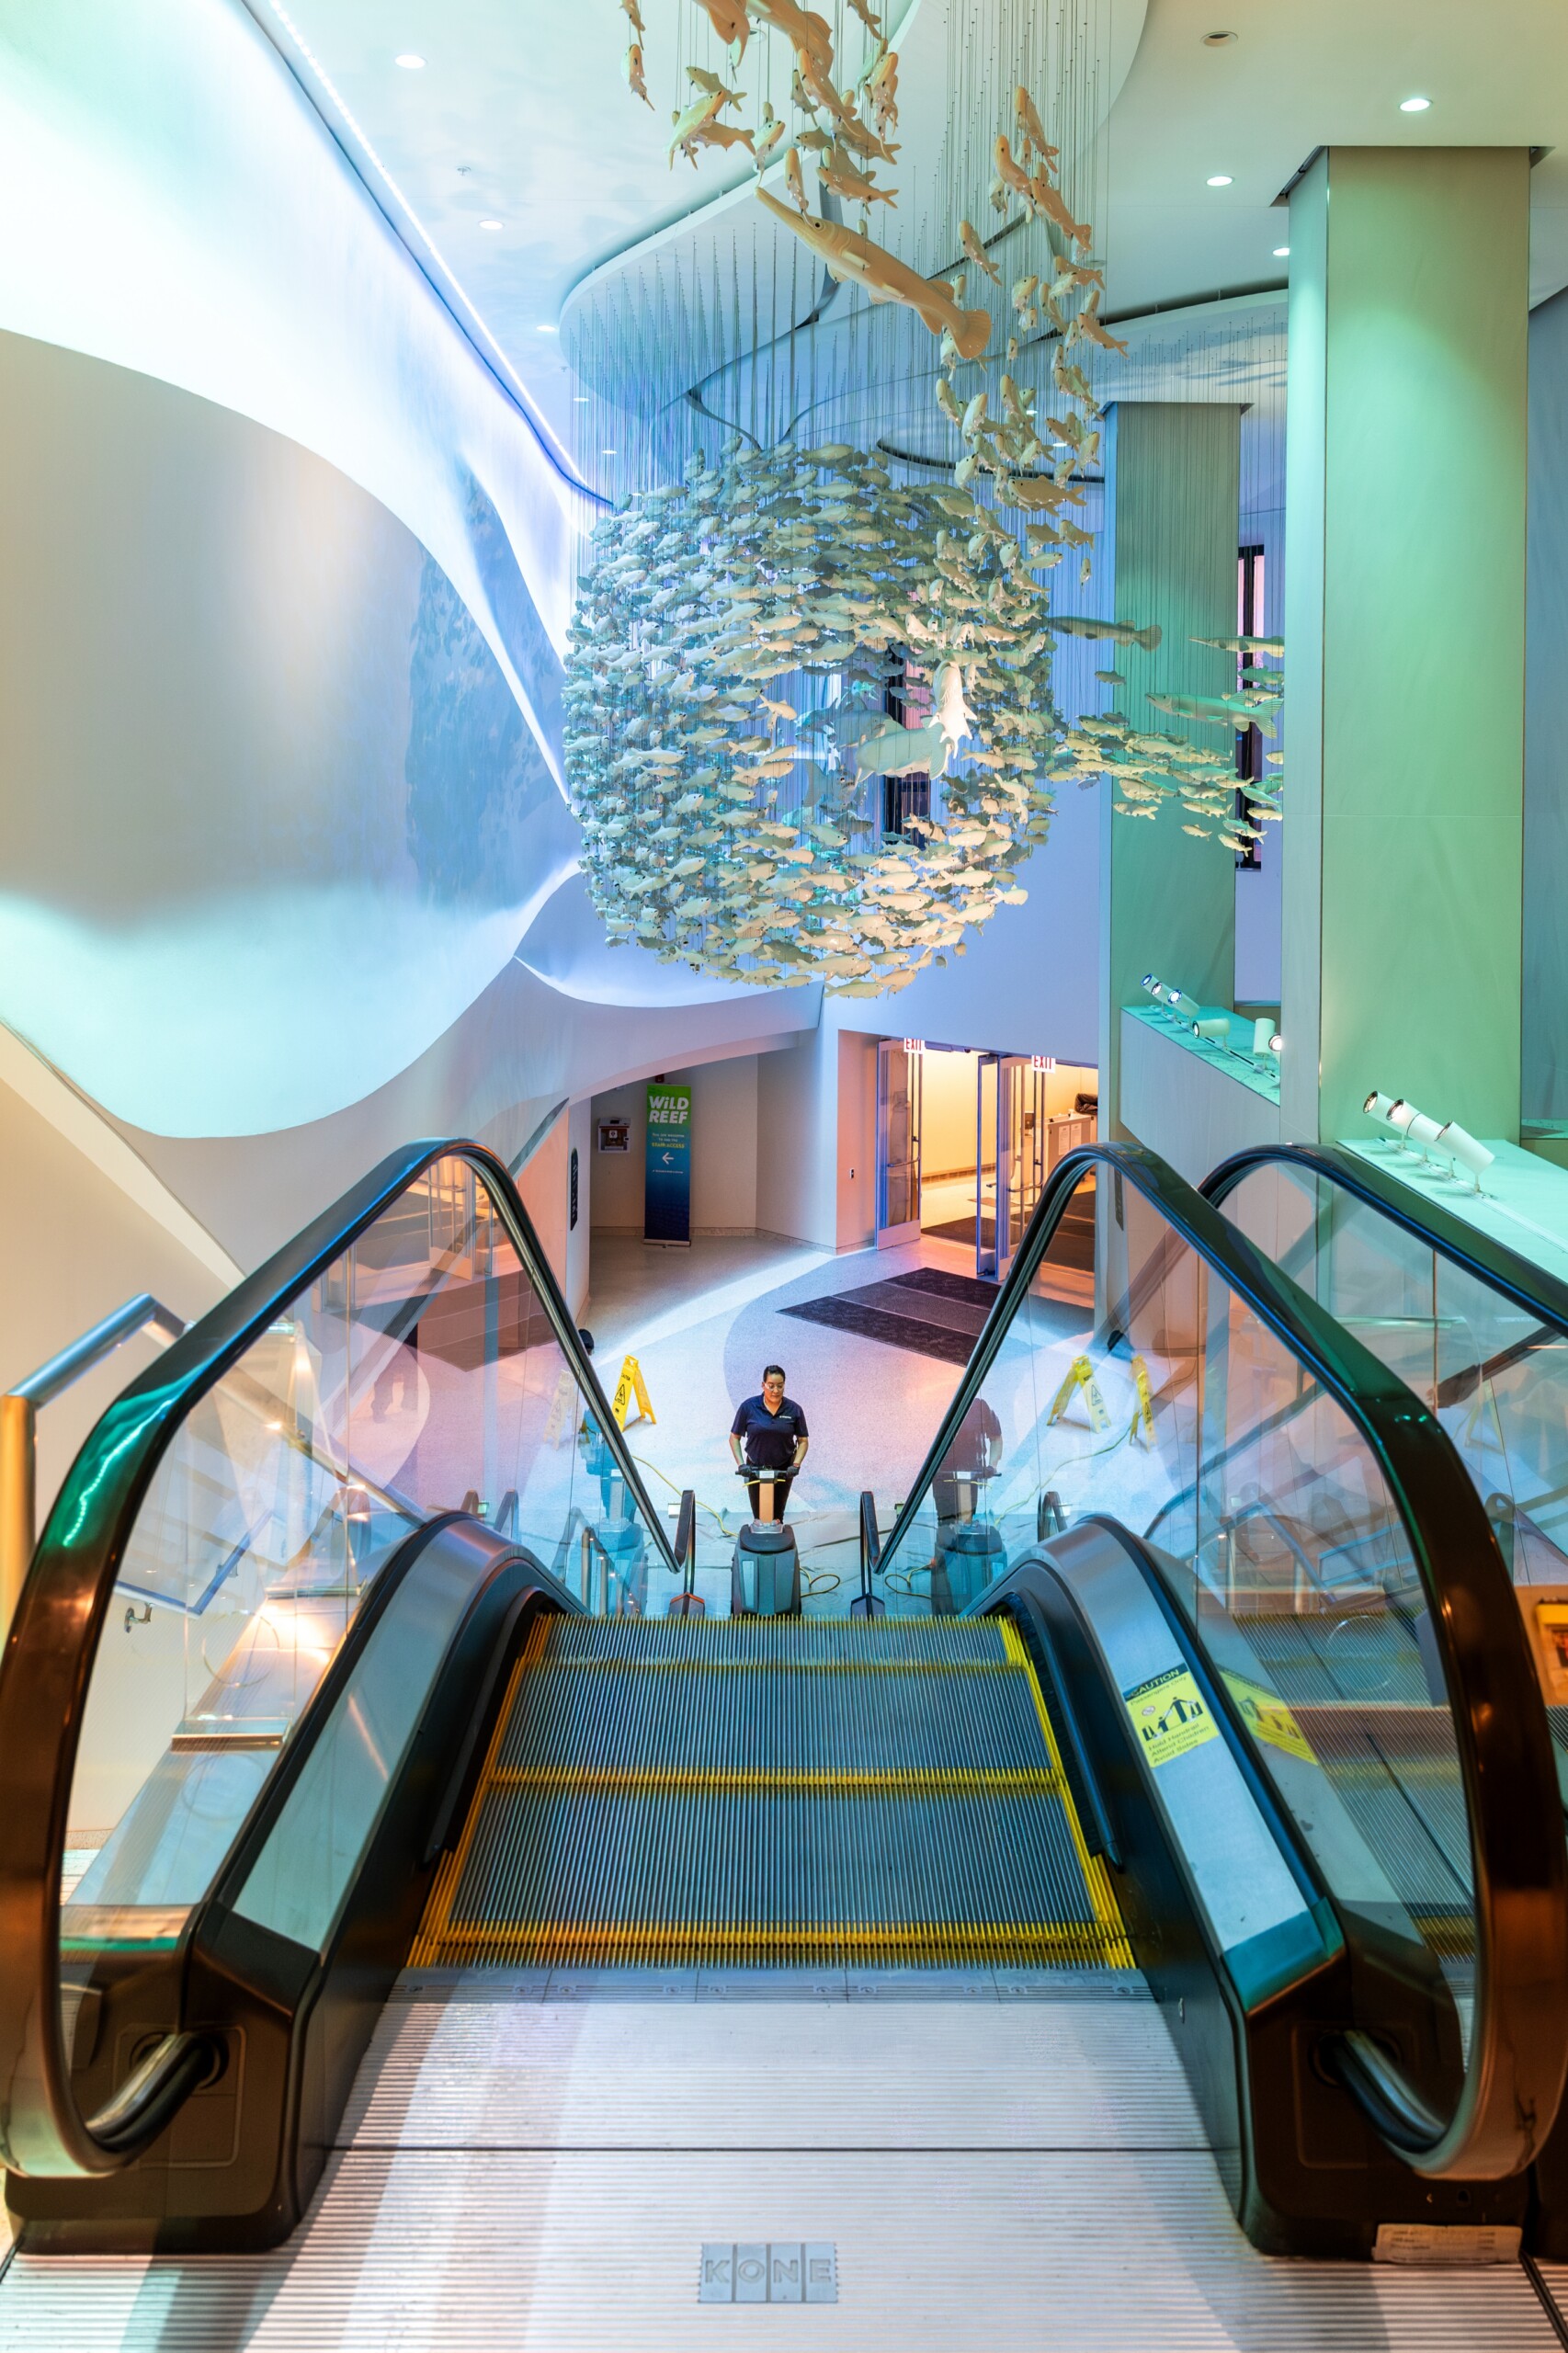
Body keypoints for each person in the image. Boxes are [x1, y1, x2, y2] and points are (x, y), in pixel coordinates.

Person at [730, 1363, 809, 1522]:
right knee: (759, 1516)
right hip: (755, 1467)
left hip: (784, 1468)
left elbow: (803, 1441)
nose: (776, 1391)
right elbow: (734, 1438)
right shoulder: (749, 1407)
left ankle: (777, 1535)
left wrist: (796, 1465)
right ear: (763, 1385)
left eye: (780, 1386)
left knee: (777, 1515)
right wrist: (741, 1465)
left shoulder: (794, 1409)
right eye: (771, 1386)